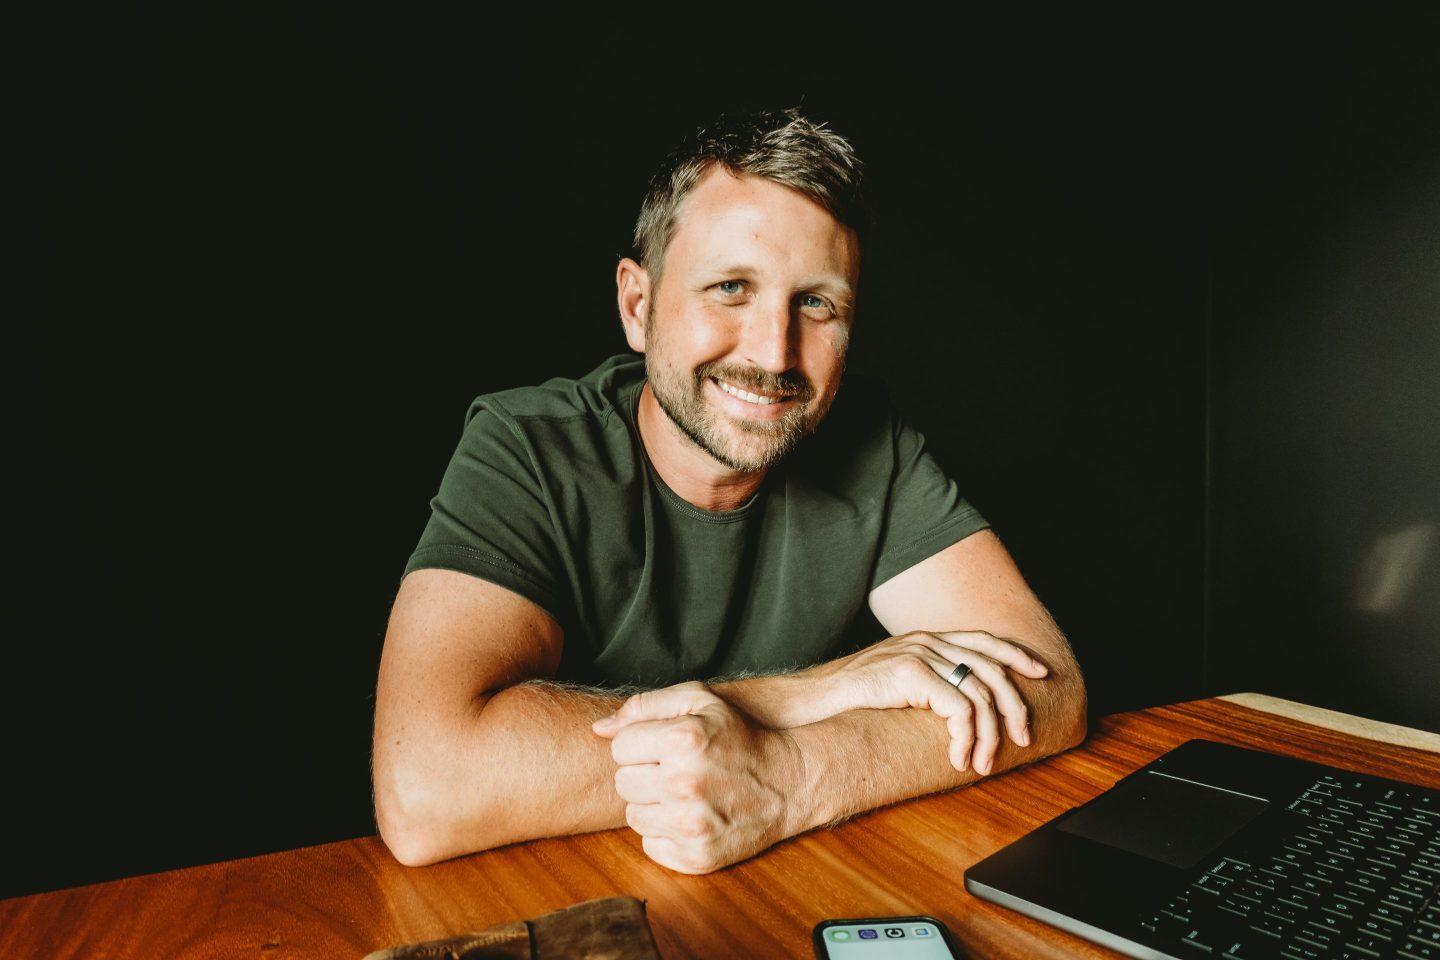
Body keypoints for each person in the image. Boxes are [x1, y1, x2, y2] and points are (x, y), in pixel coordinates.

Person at [372, 107, 1087, 875]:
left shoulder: (868, 444)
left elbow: (1049, 689)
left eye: (816, 303)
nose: (773, 351)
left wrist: (791, 777)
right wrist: (816, 694)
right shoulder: (529, 447)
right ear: (637, 306)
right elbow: (426, 787)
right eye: (730, 288)